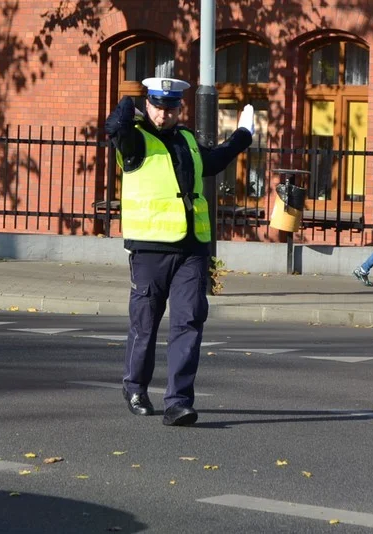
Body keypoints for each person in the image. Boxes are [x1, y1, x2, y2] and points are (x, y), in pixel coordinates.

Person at [104, 77, 253, 426]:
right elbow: (115, 126)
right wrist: (129, 104)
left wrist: (242, 137)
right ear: (148, 105)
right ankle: (136, 386)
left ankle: (178, 402)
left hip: (192, 248)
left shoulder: (186, 139)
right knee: (146, 324)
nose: (163, 114)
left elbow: (212, 163)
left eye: (170, 108)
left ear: (179, 109)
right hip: (150, 249)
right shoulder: (135, 140)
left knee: (189, 321)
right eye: (157, 106)